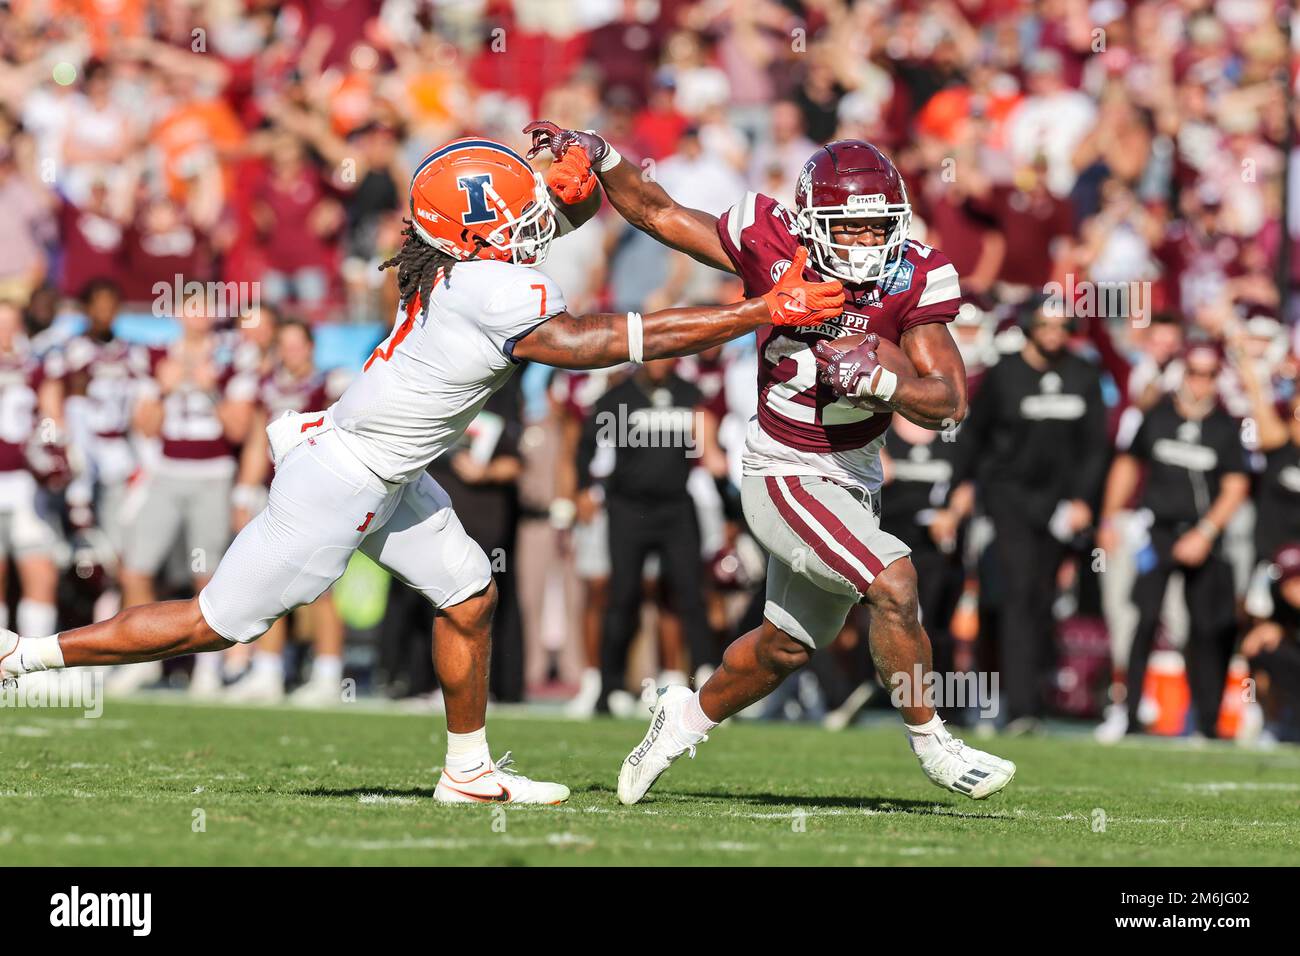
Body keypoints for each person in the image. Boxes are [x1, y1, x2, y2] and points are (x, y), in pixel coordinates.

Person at [0, 136, 843, 805]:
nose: (533, 224)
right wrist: (758, 311)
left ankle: (468, 771)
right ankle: (23, 658)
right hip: (344, 481)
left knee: (470, 595)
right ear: (474, 238)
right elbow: (592, 344)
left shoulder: (452, 261)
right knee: (213, 624)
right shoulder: (488, 288)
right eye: (513, 218)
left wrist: (585, 178)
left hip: (383, 468)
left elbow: (546, 228)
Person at [526, 122, 1016, 804]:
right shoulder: (770, 237)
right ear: (813, 224)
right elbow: (657, 211)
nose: (869, 244)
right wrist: (605, 155)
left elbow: (949, 401)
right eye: (850, 229)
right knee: (895, 582)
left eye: (879, 229)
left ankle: (682, 718)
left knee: (786, 647)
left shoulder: (919, 272)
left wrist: (883, 384)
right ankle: (932, 741)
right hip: (782, 465)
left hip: (855, 474)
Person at [951, 301, 1109, 731]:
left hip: (1062, 506)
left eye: (1062, 325)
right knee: (1018, 595)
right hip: (1009, 498)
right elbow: (974, 437)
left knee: (1043, 599)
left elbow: (1096, 447)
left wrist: (1083, 501)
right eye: (1046, 324)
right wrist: (962, 487)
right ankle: (1020, 708)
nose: (1054, 332)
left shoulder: (1084, 375)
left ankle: (1035, 696)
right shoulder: (1004, 375)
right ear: (1028, 327)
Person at [1096, 343, 1250, 740]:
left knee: (1205, 627)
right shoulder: (1157, 416)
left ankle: (1208, 721)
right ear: (1183, 374)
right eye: (1194, 373)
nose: (1200, 382)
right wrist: (1109, 518)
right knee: (1141, 619)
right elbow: (1129, 465)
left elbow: (1235, 486)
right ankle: (1128, 714)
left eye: (1209, 374)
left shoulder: (1225, 427)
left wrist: (1206, 532)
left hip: (1203, 536)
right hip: (1156, 531)